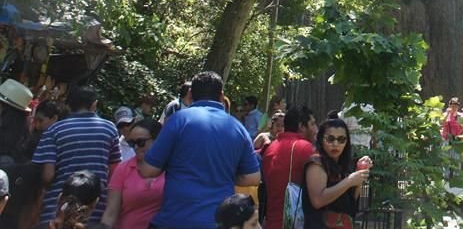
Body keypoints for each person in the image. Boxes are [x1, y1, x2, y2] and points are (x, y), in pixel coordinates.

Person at [139, 71, 261, 229]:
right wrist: (224, 173)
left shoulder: (178, 120)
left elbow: (148, 170)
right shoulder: (237, 128)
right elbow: (253, 178)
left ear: (190, 94)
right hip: (218, 221)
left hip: (174, 219)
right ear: (222, 97)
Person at [34, 85, 121, 223]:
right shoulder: (109, 128)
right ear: (94, 104)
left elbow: (47, 176)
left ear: (68, 106)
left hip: (56, 208)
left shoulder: (54, 131)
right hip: (94, 210)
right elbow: (115, 171)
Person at [303, 118, 371, 229]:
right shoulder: (316, 163)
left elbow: (351, 200)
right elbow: (317, 200)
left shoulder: (342, 166)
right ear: (321, 139)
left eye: (341, 139)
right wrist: (349, 181)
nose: (335, 144)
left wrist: (360, 172)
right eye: (330, 139)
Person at [101, 119, 164, 229]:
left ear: (157, 140)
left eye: (140, 142)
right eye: (131, 143)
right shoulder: (123, 169)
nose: (135, 147)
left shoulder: (174, 168)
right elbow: (110, 213)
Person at [260, 105, 316, 229]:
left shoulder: (271, 147)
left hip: (271, 221)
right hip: (294, 223)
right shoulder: (305, 148)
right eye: (312, 124)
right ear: (301, 126)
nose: (316, 129)